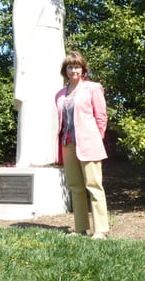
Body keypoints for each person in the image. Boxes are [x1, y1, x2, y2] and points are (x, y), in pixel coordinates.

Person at [13, 0, 65, 167]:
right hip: (34, 47)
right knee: (32, 100)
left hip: (54, 49)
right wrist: (21, 56)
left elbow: (61, 29)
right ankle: (27, 156)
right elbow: (20, 23)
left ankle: (49, 156)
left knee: (52, 101)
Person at [55, 51, 109, 239]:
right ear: (65, 70)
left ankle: (100, 230)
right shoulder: (60, 94)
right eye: (70, 67)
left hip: (89, 144)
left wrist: (96, 138)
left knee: (94, 186)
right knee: (76, 187)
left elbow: (101, 117)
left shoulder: (93, 88)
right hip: (67, 145)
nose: (73, 70)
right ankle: (80, 228)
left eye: (77, 66)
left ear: (83, 69)